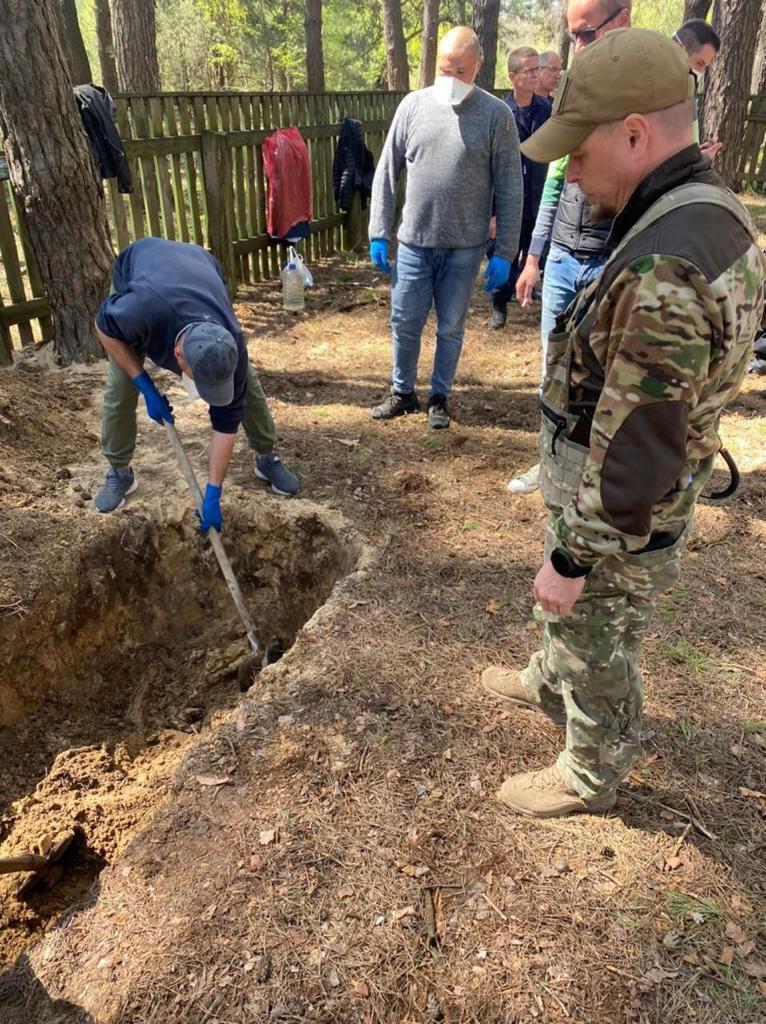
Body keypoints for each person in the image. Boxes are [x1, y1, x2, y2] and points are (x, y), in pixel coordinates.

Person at [480, 27, 765, 819]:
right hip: (621, 492)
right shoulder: (701, 208)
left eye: (578, 152)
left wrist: (573, 557)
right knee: (571, 625)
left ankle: (589, 772)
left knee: (594, 628)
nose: (570, 174)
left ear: (635, 133)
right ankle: (547, 680)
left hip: (621, 516)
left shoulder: (664, 268)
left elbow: (637, 446)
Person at [368, 26, 522, 430]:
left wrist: (505, 252)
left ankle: (440, 396)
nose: (451, 77)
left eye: (461, 70)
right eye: (445, 68)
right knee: (404, 321)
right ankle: (402, 391)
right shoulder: (413, 106)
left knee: (451, 327)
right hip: (414, 243)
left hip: (465, 247)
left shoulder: (496, 116)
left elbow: (510, 185)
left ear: (478, 67)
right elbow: (387, 169)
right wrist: (378, 230)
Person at [508, 0, 632, 496]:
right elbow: (556, 183)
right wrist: (535, 258)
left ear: (621, 20)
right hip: (562, 257)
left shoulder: (652, 89)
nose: (576, 48)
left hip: (609, 261)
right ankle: (550, 462)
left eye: (584, 35)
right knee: (552, 369)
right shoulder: (576, 90)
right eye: (572, 36)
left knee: (601, 376)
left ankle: (594, 474)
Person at [93, 237, 299, 524]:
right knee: (120, 387)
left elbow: (225, 424)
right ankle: (119, 471)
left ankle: (267, 457)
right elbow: (104, 329)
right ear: (177, 354)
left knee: (246, 387)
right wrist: (143, 382)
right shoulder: (138, 310)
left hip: (202, 267)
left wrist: (213, 491)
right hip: (141, 268)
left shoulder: (231, 341)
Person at [489, 47, 551, 330]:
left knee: (535, 250)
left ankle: (528, 288)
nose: (535, 75)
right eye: (529, 70)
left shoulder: (546, 110)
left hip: (538, 198)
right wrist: (492, 213)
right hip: (509, 202)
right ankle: (499, 306)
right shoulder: (500, 114)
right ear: (512, 77)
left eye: (538, 69)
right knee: (504, 252)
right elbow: (489, 166)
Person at [673, 18, 722, 161]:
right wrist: (700, 160)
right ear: (679, 48)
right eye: (700, 63)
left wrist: (696, 153)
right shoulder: (656, 91)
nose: (700, 71)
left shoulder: (687, 92)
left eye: (705, 66)